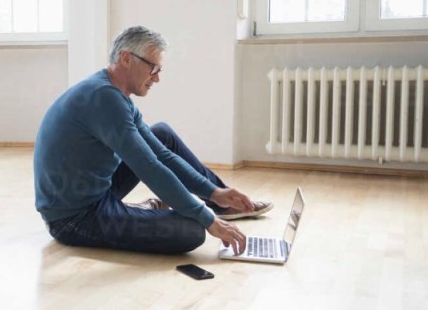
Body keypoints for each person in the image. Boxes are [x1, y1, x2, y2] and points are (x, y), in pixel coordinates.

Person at [33, 25, 273, 255]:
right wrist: (206, 219)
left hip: (96, 192)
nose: (156, 78)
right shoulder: (104, 98)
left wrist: (213, 192)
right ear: (127, 59)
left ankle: (219, 202)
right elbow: (148, 167)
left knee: (161, 134)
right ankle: (136, 211)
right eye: (153, 68)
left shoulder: (115, 95)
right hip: (73, 218)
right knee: (192, 231)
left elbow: (161, 155)